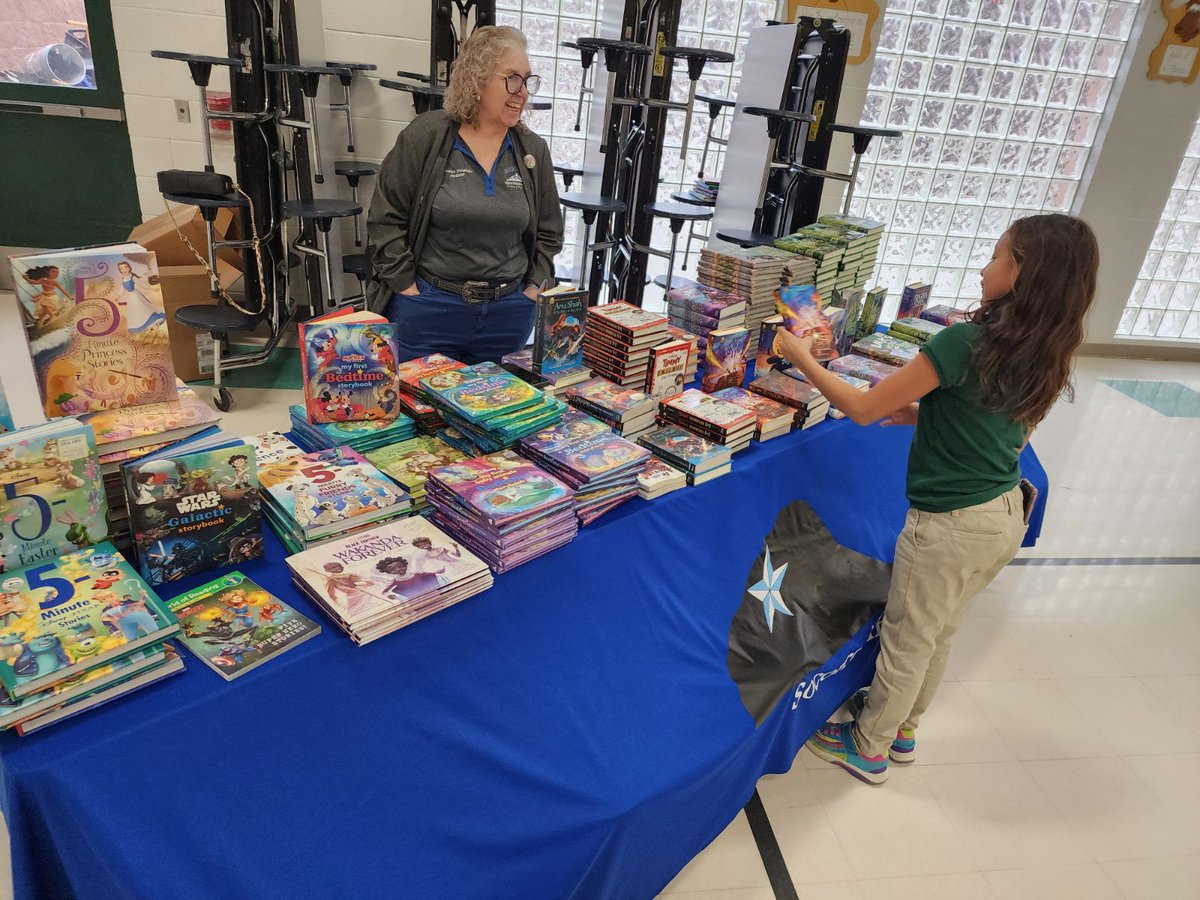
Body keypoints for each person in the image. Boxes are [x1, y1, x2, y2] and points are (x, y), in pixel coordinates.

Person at [774, 213, 1100, 785]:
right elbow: (1008, 429)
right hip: (1003, 513)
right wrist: (929, 415)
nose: (984, 267)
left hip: (948, 526)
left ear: (1026, 274)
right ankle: (902, 729)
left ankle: (869, 747)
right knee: (939, 631)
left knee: (907, 637)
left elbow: (863, 408)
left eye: (998, 257)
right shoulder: (1049, 349)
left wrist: (801, 358)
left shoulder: (964, 343)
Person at [367, 26, 563, 365]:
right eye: (512, 78)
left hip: (508, 317)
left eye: (528, 80)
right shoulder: (426, 137)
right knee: (420, 414)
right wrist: (405, 286)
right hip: (429, 309)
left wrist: (533, 288)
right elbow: (386, 216)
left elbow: (549, 230)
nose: (522, 92)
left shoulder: (532, 151)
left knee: (491, 416)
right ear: (477, 78)